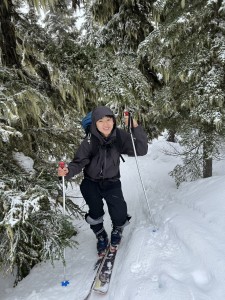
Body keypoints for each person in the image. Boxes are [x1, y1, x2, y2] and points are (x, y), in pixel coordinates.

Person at [58, 106, 148, 256]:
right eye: (100, 121)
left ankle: (117, 230)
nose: (105, 124)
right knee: (95, 213)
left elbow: (141, 150)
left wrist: (135, 126)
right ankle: (100, 235)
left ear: (113, 120)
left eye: (108, 119)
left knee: (119, 212)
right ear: (94, 123)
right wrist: (67, 172)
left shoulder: (119, 136)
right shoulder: (89, 141)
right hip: (90, 183)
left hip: (112, 182)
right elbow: (78, 162)